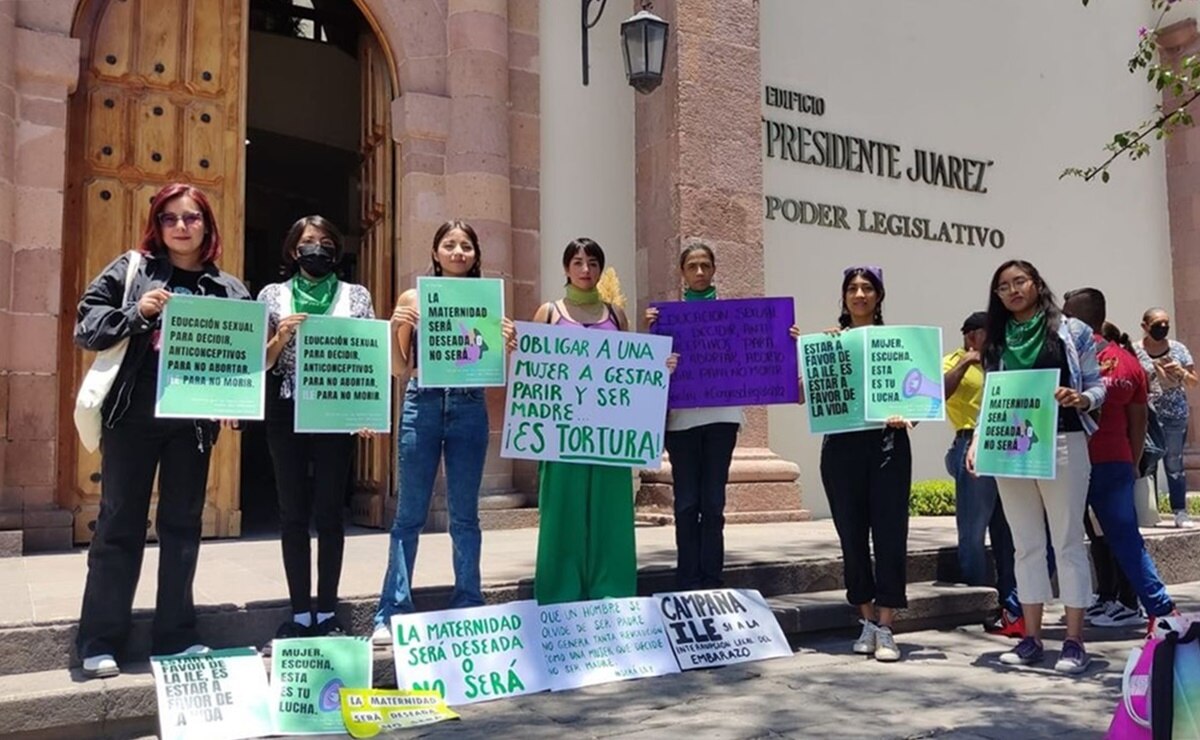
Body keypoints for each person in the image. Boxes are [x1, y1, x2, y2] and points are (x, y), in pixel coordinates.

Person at [73, 183, 250, 678]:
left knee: (182, 528)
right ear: (157, 224)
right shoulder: (131, 271)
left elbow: (242, 360)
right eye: (169, 218)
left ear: (207, 226)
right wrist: (138, 313)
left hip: (190, 425)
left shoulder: (229, 289)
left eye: (191, 218)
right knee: (118, 525)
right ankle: (100, 639)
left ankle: (175, 636)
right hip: (131, 418)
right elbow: (86, 327)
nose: (180, 227)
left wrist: (240, 399)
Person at [372, 220, 514, 644]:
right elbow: (398, 369)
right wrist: (397, 326)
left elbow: (489, 367)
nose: (457, 252)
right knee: (409, 515)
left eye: (465, 246)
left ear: (475, 255)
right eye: (449, 245)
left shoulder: (487, 302)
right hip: (424, 402)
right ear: (435, 253)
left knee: (465, 515)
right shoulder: (413, 298)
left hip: (469, 406)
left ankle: (468, 601)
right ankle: (392, 610)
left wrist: (506, 341)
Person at [966, 260, 1104, 674]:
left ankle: (1074, 640)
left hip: (1063, 441)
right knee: (1024, 544)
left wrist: (1081, 399)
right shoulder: (998, 339)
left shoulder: (1071, 330)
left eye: (1019, 281)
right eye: (1003, 286)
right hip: (1011, 447)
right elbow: (992, 395)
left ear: (1036, 283)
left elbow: (1097, 385)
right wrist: (977, 440)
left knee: (1066, 542)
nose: (1013, 290)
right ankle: (1031, 637)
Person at [257, 216, 376, 641]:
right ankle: (299, 611)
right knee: (292, 512)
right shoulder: (273, 295)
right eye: (309, 242)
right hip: (285, 407)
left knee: (329, 511)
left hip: (335, 411)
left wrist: (367, 411)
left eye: (326, 242)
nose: (318, 249)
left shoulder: (356, 295)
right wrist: (281, 338)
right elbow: (262, 362)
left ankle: (327, 609)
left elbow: (368, 358)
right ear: (293, 250)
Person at [789, 266, 912, 663]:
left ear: (879, 296)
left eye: (867, 288)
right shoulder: (830, 342)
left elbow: (918, 392)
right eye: (852, 288)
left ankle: (888, 625)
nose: (859, 294)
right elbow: (802, 396)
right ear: (844, 297)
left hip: (888, 444)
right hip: (841, 449)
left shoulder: (898, 343)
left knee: (891, 534)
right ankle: (866, 620)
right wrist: (802, 354)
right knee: (852, 537)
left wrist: (906, 414)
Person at [1061, 291, 1178, 630]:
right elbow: (1138, 422)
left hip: (1074, 459)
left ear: (1075, 318)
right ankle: (1162, 609)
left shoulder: (1070, 356)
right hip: (1117, 461)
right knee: (1126, 538)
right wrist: (1132, 462)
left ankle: (1020, 611)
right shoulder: (1129, 361)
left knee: (1056, 537)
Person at [532, 239, 639, 605]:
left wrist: (660, 366)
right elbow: (532, 373)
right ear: (565, 268)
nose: (585, 270)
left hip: (610, 435)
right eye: (577, 262)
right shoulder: (549, 312)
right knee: (563, 513)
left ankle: (613, 591)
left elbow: (631, 370)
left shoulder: (617, 315)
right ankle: (560, 593)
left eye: (593, 262)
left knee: (611, 515)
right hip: (562, 434)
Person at [644, 244, 742, 590]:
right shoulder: (666, 319)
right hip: (681, 423)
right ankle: (687, 578)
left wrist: (783, 338)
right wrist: (651, 339)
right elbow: (650, 370)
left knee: (713, 503)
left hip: (722, 419)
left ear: (714, 270)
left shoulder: (737, 318)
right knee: (686, 503)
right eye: (692, 266)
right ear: (682, 273)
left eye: (705, 265)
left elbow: (755, 355)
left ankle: (712, 577)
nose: (699, 272)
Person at [942, 311, 1022, 638]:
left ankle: (1011, 602)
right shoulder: (952, 360)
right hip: (969, 443)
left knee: (1008, 529)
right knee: (973, 529)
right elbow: (939, 393)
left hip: (1005, 446)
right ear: (972, 335)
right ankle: (979, 598)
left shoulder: (1003, 361)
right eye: (990, 332)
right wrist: (967, 362)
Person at [1135, 307, 1197, 528]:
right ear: (1145, 326)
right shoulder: (1135, 350)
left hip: (1175, 414)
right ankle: (1148, 512)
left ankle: (1180, 511)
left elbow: (1193, 381)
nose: (1162, 327)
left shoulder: (1178, 349)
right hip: (1148, 414)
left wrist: (1179, 372)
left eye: (1166, 323)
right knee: (1148, 462)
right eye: (1157, 324)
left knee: (1174, 463)